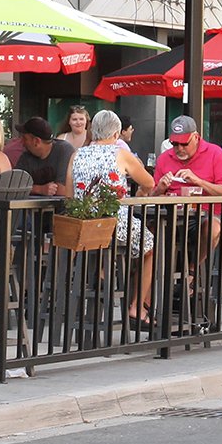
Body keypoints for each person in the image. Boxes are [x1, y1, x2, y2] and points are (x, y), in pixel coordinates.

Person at [64, 110, 156, 325]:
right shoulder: (119, 154)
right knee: (150, 248)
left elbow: (69, 196)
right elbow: (149, 182)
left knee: (120, 248)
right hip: (113, 225)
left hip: (84, 228)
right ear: (116, 134)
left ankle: (104, 275)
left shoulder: (77, 154)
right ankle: (137, 307)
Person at [152, 115, 222, 272]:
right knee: (147, 232)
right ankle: (152, 283)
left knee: (213, 229)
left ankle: (192, 270)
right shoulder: (164, 158)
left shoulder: (215, 153)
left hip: (205, 214)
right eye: (175, 143)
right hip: (170, 215)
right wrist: (160, 189)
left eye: (184, 143)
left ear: (196, 137)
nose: (179, 148)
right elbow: (151, 196)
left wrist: (199, 181)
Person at [14, 117, 74, 197]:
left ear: (36, 141)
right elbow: (14, 187)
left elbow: (63, 190)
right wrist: (40, 189)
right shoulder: (26, 157)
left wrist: (29, 188)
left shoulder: (64, 150)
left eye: (25, 139)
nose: (22, 142)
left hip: (60, 208)